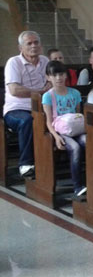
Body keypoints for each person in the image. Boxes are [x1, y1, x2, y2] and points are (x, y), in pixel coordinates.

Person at [3, 31, 50, 178]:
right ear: (20, 48)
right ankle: (25, 164)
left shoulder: (45, 61)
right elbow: (14, 90)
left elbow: (51, 81)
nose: (33, 46)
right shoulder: (14, 62)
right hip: (16, 110)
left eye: (36, 42)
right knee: (28, 121)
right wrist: (40, 92)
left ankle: (51, 162)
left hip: (42, 108)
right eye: (29, 43)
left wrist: (47, 87)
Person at [42, 60, 87, 197]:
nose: (58, 78)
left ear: (66, 75)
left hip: (76, 128)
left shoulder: (75, 93)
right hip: (61, 131)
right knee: (75, 148)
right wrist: (56, 137)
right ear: (48, 77)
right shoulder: (48, 96)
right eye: (54, 75)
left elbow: (78, 115)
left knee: (89, 143)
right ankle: (77, 186)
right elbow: (49, 121)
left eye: (61, 74)